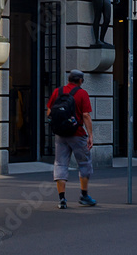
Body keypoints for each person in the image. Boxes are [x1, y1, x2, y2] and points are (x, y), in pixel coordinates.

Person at [46, 70, 95, 208]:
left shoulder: (58, 91)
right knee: (84, 163)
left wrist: (59, 124)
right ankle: (84, 196)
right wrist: (90, 135)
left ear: (69, 79)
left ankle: (62, 199)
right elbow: (86, 115)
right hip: (77, 134)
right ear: (80, 81)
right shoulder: (82, 93)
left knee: (60, 164)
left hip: (61, 135)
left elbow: (49, 112)